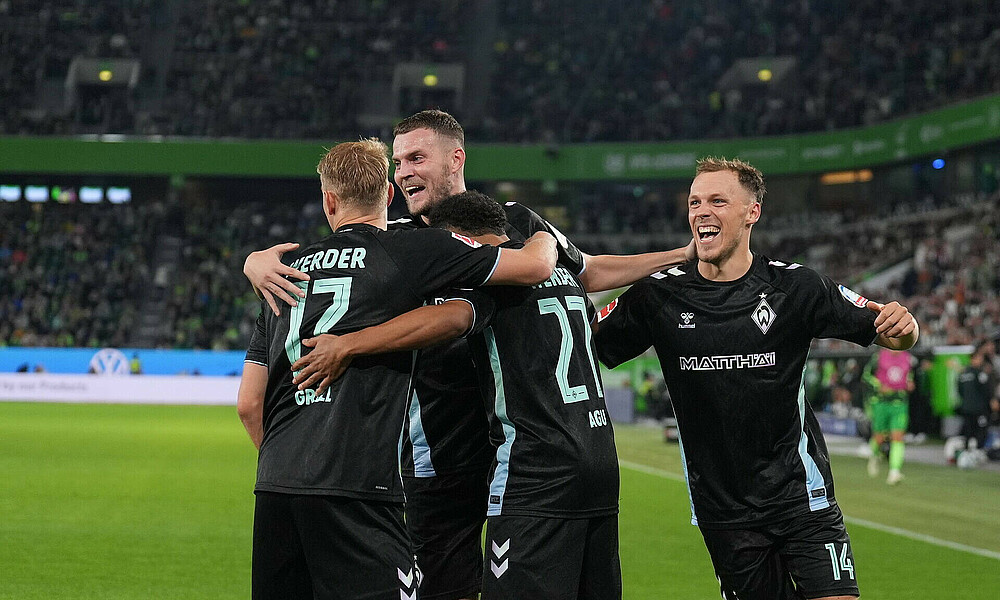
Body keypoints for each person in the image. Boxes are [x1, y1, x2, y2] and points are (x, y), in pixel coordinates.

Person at [244, 109, 691, 600]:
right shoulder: (397, 241)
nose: (404, 172)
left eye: (416, 158)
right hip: (439, 454)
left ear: (455, 158)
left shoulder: (512, 223)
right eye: (397, 163)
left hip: (514, 448)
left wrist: (677, 255)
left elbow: (586, 272)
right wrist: (256, 261)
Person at [235, 139, 557, 600]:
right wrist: (545, 233)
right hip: (361, 487)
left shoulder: (282, 276)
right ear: (388, 195)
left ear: (329, 200)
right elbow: (532, 267)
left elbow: (249, 404)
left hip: (276, 489)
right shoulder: (411, 250)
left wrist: (286, 472)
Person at [593, 157, 918, 600]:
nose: (701, 212)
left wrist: (905, 327)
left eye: (717, 201)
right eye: (694, 202)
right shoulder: (657, 295)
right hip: (724, 511)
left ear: (752, 212)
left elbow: (889, 330)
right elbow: (583, 348)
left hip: (801, 496)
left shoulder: (797, 287)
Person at [291, 190, 621, 599]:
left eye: (417, 156)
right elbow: (588, 279)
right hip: (597, 460)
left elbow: (450, 317)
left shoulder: (495, 281)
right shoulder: (556, 268)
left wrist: (349, 344)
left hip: (529, 470)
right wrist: (679, 256)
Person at [862, 347, 915, 484]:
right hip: (881, 402)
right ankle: (874, 456)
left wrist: (909, 383)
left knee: (897, 437)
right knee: (879, 436)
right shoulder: (878, 357)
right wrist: (879, 385)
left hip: (900, 402)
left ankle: (894, 472)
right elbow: (866, 376)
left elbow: (909, 375)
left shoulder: (907, 357)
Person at [957, 341, 995, 453]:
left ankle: (966, 451)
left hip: (966, 407)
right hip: (979, 409)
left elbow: (960, 391)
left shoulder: (963, 374)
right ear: (974, 359)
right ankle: (979, 451)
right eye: (979, 358)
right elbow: (986, 391)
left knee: (968, 430)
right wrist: (990, 402)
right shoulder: (980, 374)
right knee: (980, 430)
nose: (980, 360)